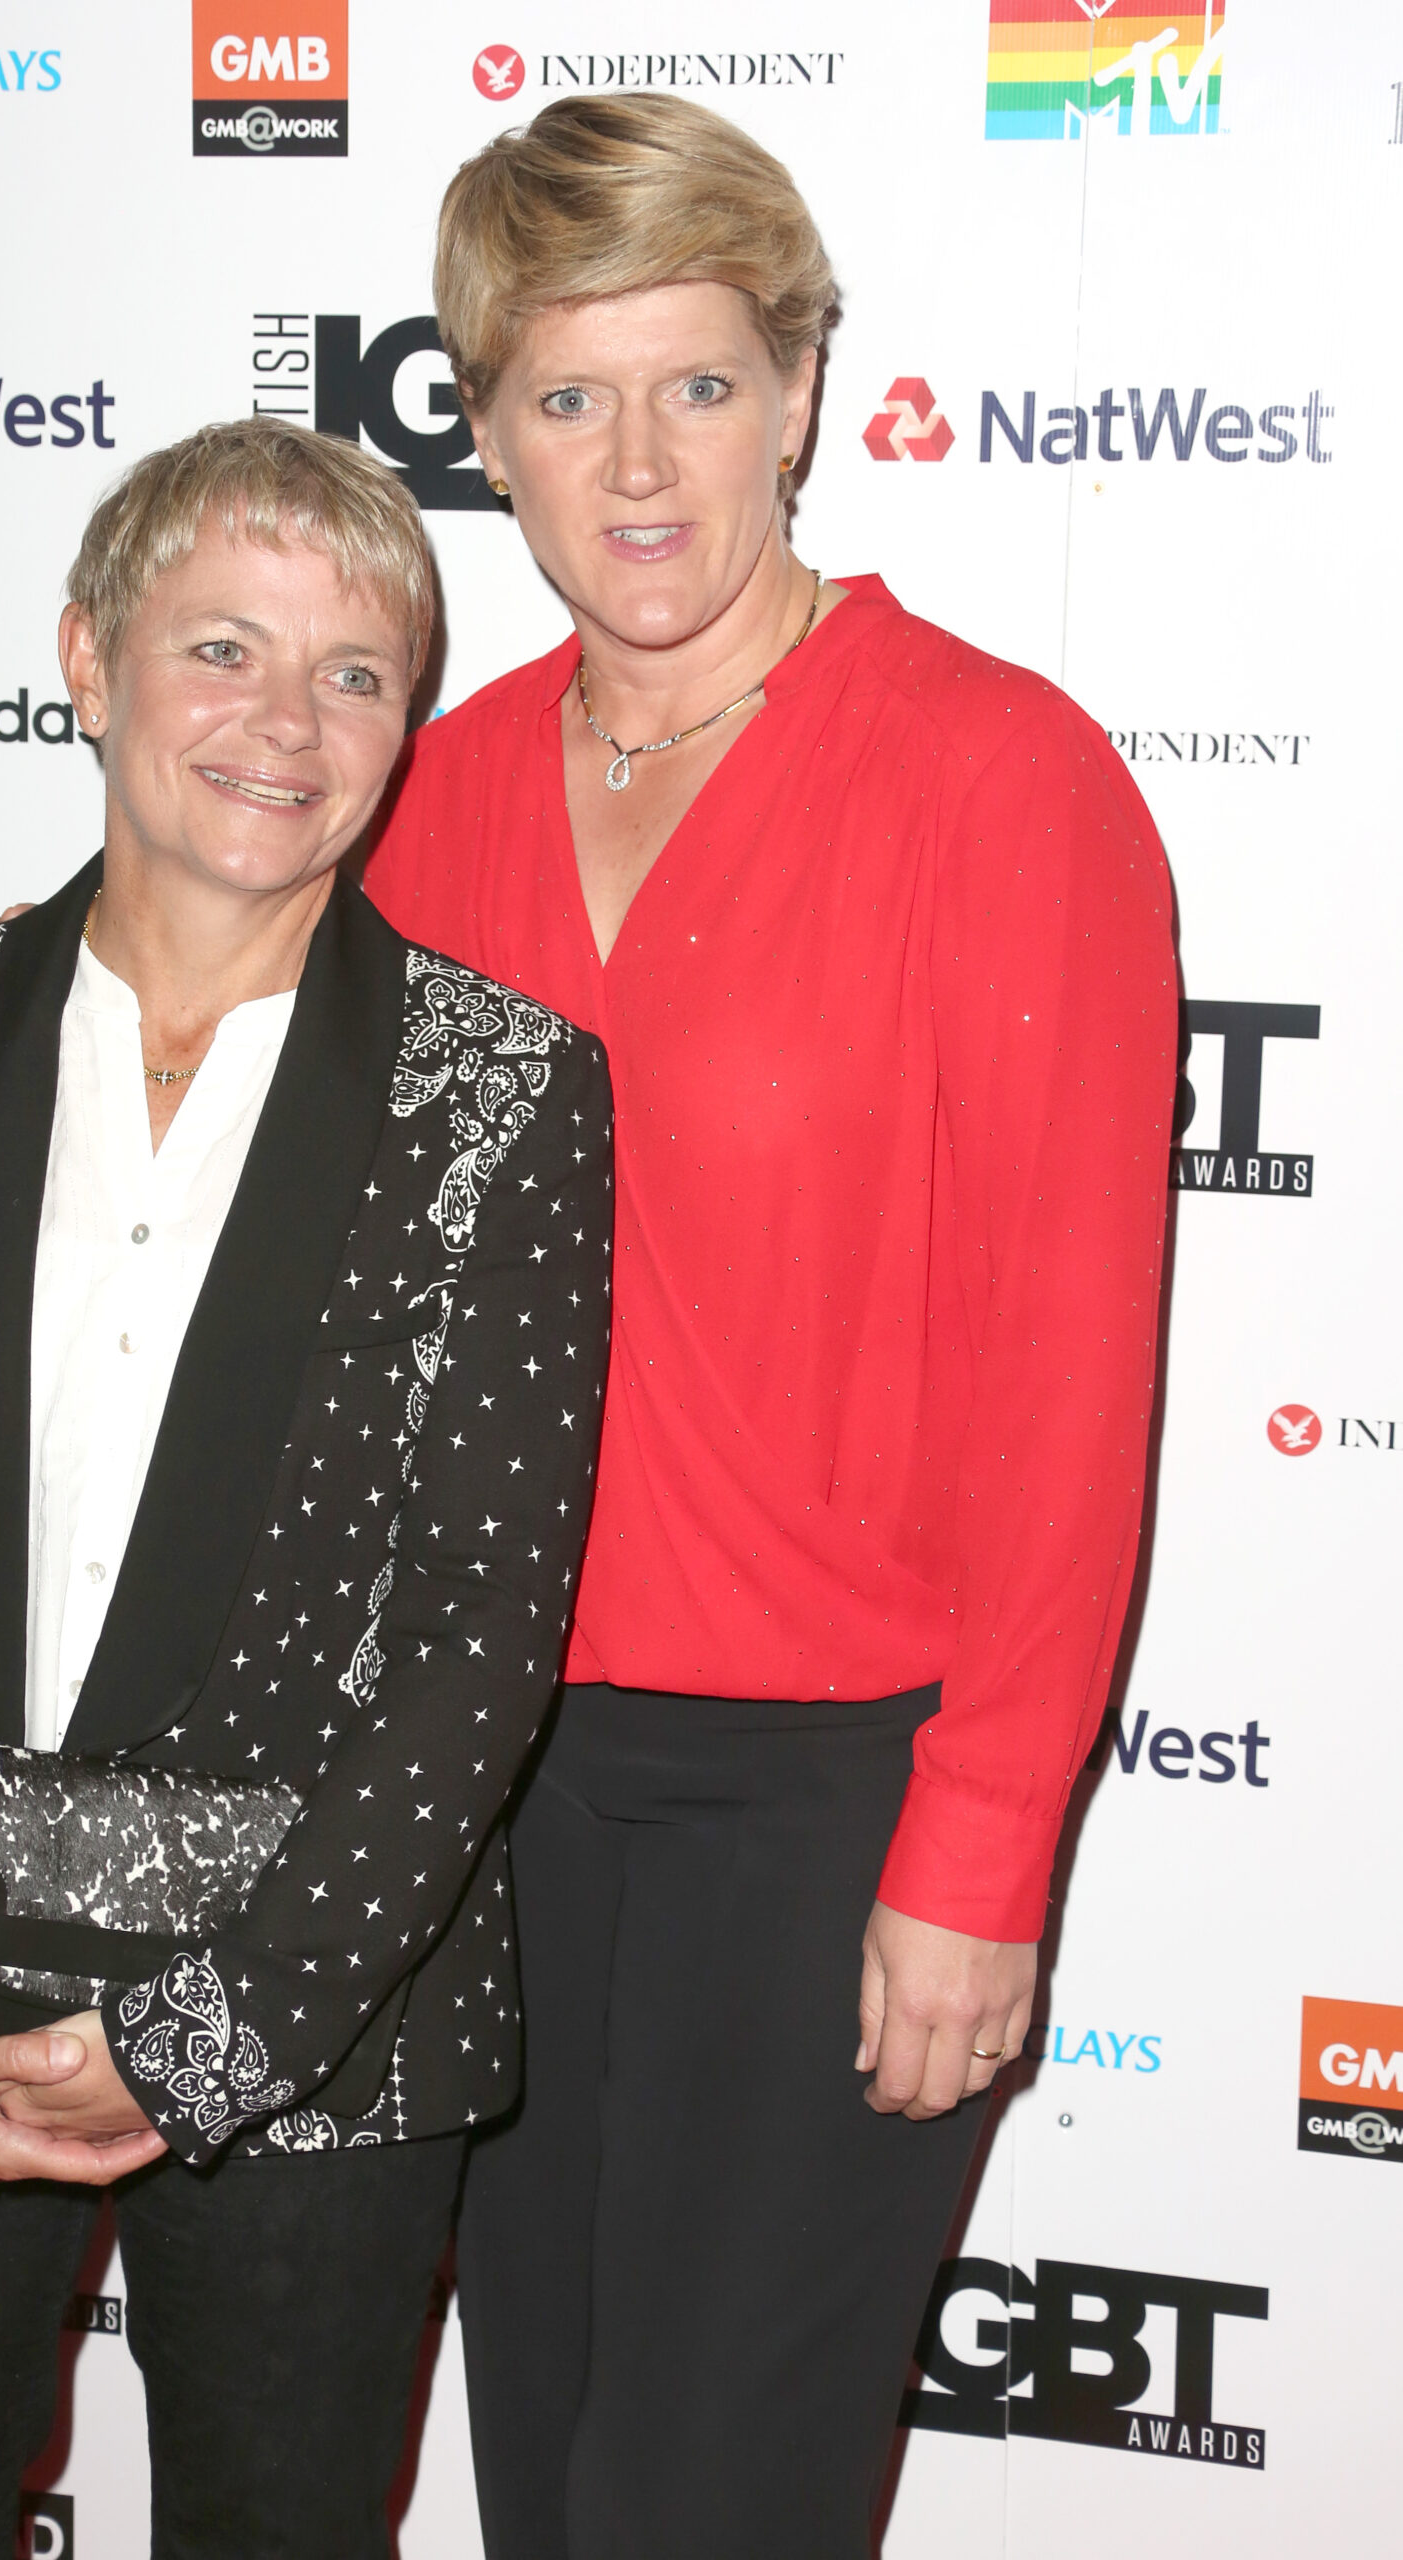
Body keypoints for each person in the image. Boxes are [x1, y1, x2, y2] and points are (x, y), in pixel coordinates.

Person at [360, 95, 1178, 2560]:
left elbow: (1067, 1370)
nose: (634, 464)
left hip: (830, 1806)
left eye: (696, 385)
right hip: (487, 1796)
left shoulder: (996, 779)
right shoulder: (435, 786)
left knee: (705, 2505)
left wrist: (982, 1839)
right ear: (478, 423)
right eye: (565, 394)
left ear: (802, 389)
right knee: (547, 2481)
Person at [0, 417, 613, 2560]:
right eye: (220, 644)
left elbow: (482, 1629)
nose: (281, 724)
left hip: (329, 1983)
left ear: (405, 725)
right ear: (85, 658)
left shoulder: (503, 1089)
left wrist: (218, 2033)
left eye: (352, 673)